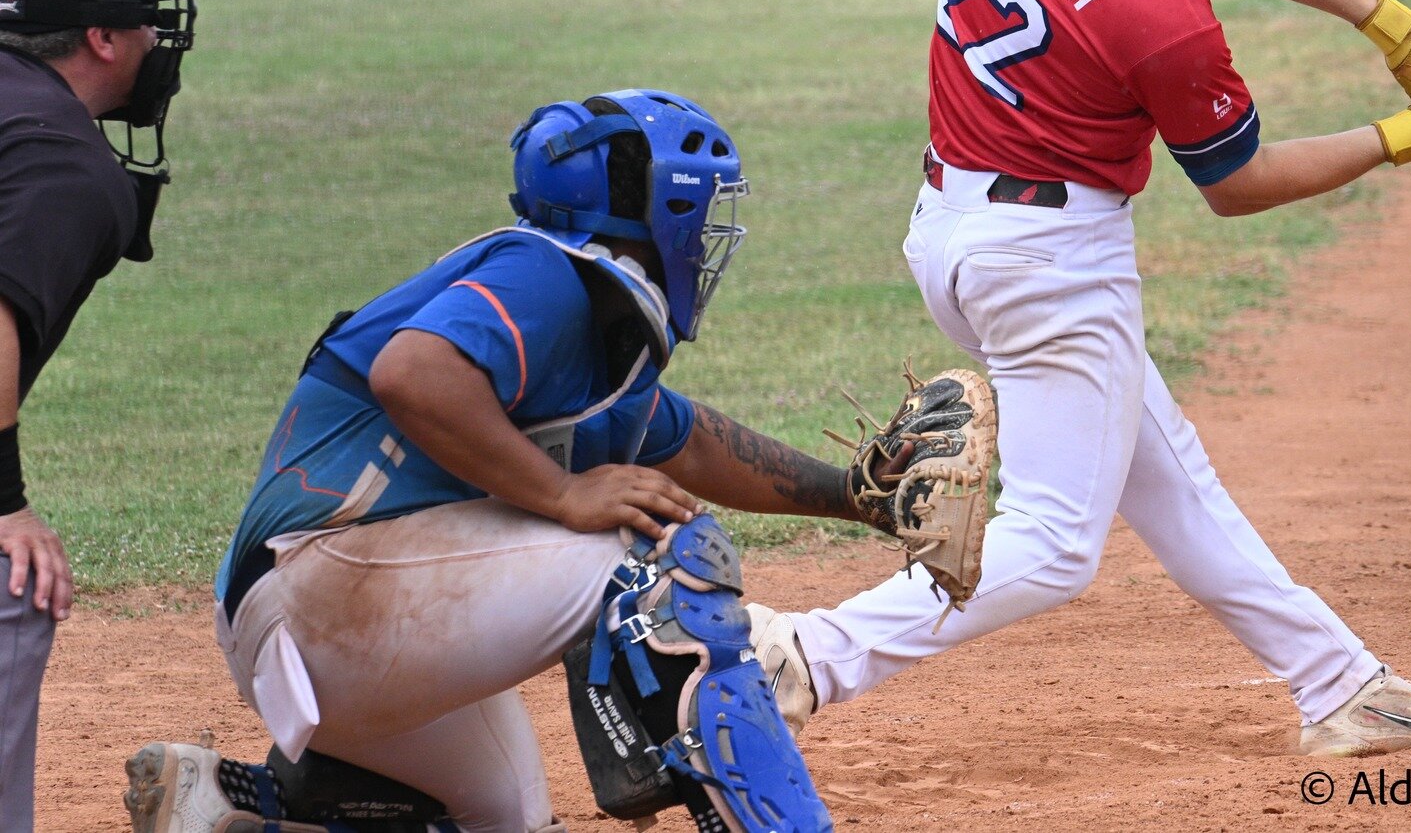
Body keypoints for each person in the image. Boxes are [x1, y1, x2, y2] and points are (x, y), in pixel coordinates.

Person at [746, 0, 1411, 758]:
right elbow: (1236, 185)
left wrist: (1381, 21)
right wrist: (1405, 137)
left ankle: (1341, 689)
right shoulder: (1160, 20)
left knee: (1172, 485)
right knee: (1058, 547)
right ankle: (803, 654)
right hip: (1049, 266)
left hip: (957, 230)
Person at [124, 89, 990, 833]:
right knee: (655, 564)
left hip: (322, 640)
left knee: (503, 816)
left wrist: (853, 496)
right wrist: (563, 493)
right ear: (659, 208)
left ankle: (242, 808)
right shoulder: (541, 270)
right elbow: (411, 373)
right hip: (326, 587)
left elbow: (684, 440)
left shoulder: (588, 325)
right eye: (703, 205)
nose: (712, 232)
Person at [0, 0, 196, 833]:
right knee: (11, 592)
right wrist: (4, 503)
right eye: (151, 22)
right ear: (103, 38)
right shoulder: (63, 165)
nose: (161, 44)